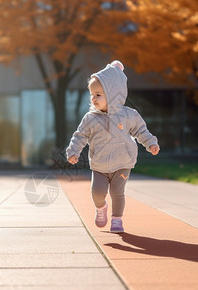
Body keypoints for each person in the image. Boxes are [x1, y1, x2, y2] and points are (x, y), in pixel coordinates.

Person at [66, 60, 160, 233]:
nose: (93, 98)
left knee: (118, 193)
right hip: (99, 165)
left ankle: (117, 219)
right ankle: (101, 208)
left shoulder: (128, 115)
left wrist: (151, 143)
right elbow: (79, 136)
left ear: (114, 95)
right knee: (97, 192)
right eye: (92, 94)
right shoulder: (90, 118)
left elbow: (141, 130)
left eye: (99, 95)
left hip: (123, 163)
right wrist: (73, 151)